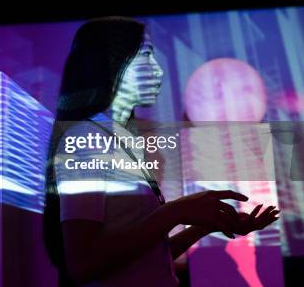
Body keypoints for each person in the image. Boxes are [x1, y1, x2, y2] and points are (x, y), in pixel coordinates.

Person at [43, 17, 279, 287]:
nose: (157, 70)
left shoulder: (120, 138)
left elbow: (148, 258)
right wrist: (176, 212)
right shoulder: (88, 138)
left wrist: (206, 225)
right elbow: (83, 264)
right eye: (145, 56)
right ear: (112, 62)